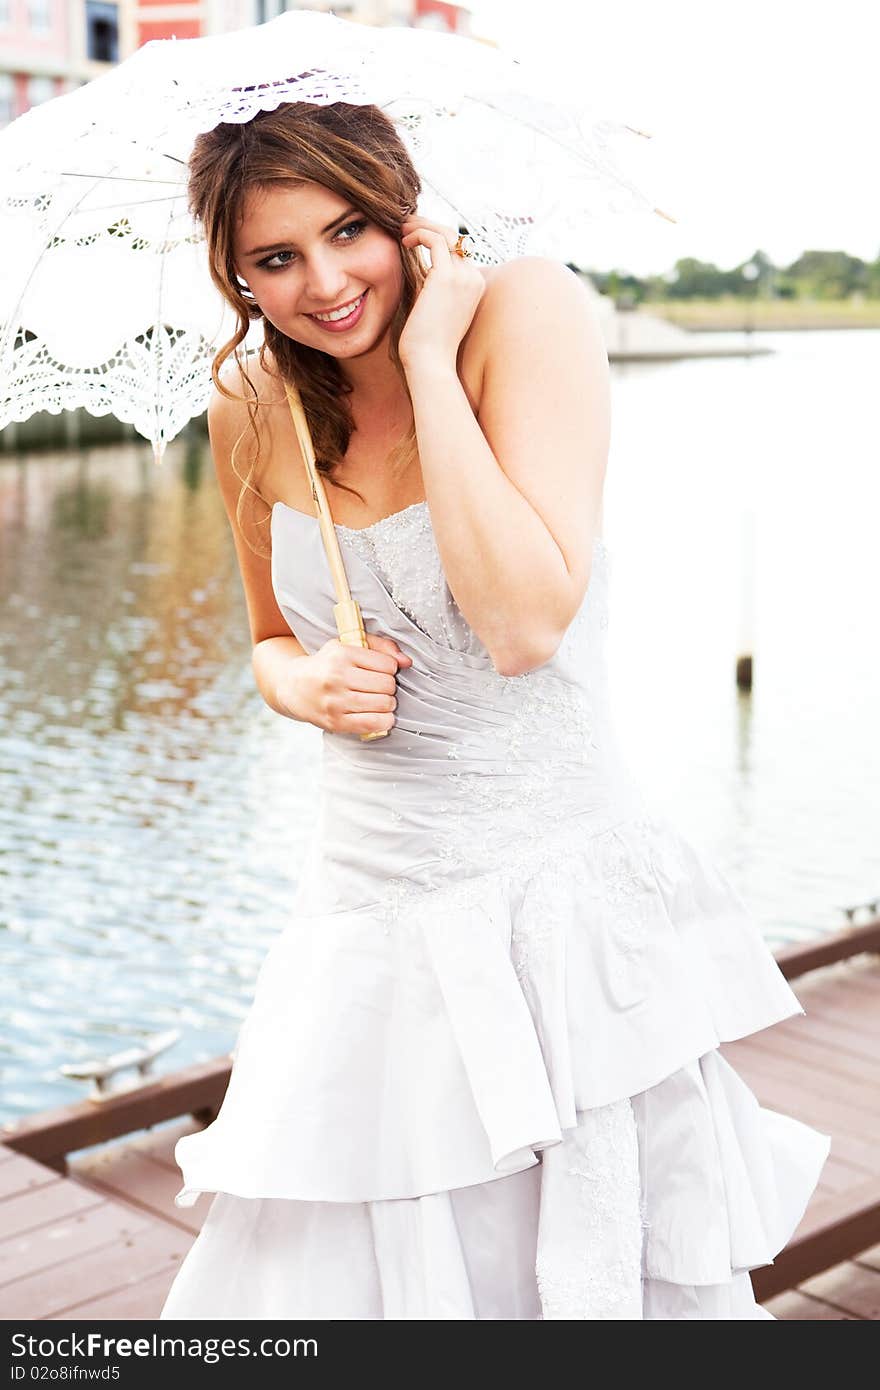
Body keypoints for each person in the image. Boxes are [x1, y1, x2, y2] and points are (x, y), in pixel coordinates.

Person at [159, 101, 830, 1321]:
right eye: (274, 259)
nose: (323, 282)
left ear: (405, 215)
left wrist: (425, 367)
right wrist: (308, 687)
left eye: (349, 229)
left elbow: (524, 625)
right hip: (365, 907)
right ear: (237, 276)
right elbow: (267, 638)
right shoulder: (252, 407)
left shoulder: (525, 312)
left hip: (554, 907)